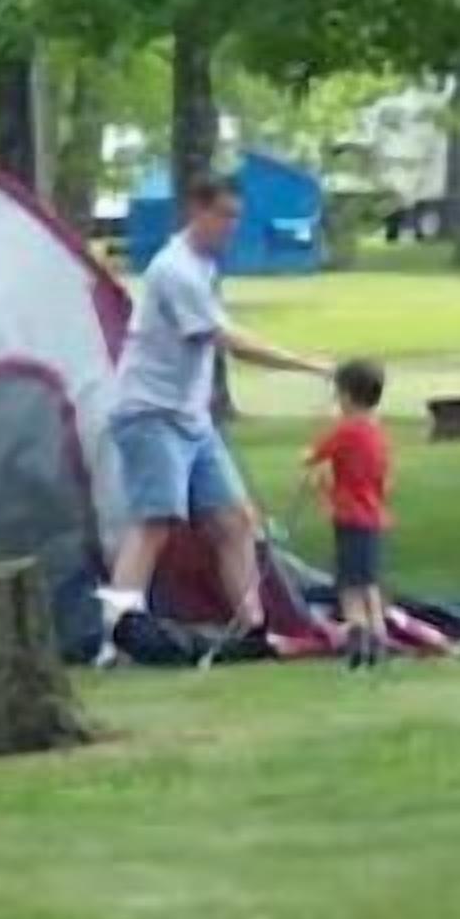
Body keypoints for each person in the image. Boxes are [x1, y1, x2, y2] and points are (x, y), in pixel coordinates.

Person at [107, 173, 332, 653]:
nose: (231, 227)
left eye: (236, 217)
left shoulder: (202, 267)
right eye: (224, 216)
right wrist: (305, 364)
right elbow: (225, 339)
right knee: (155, 522)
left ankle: (251, 629)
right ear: (197, 211)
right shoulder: (174, 271)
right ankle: (118, 632)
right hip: (151, 413)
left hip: (191, 418)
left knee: (231, 521)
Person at [302, 359, 396, 672]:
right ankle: (379, 635)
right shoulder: (378, 433)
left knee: (349, 586)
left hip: (349, 518)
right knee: (368, 582)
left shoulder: (346, 431)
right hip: (373, 516)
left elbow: (311, 456)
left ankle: (358, 642)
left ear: (346, 396)